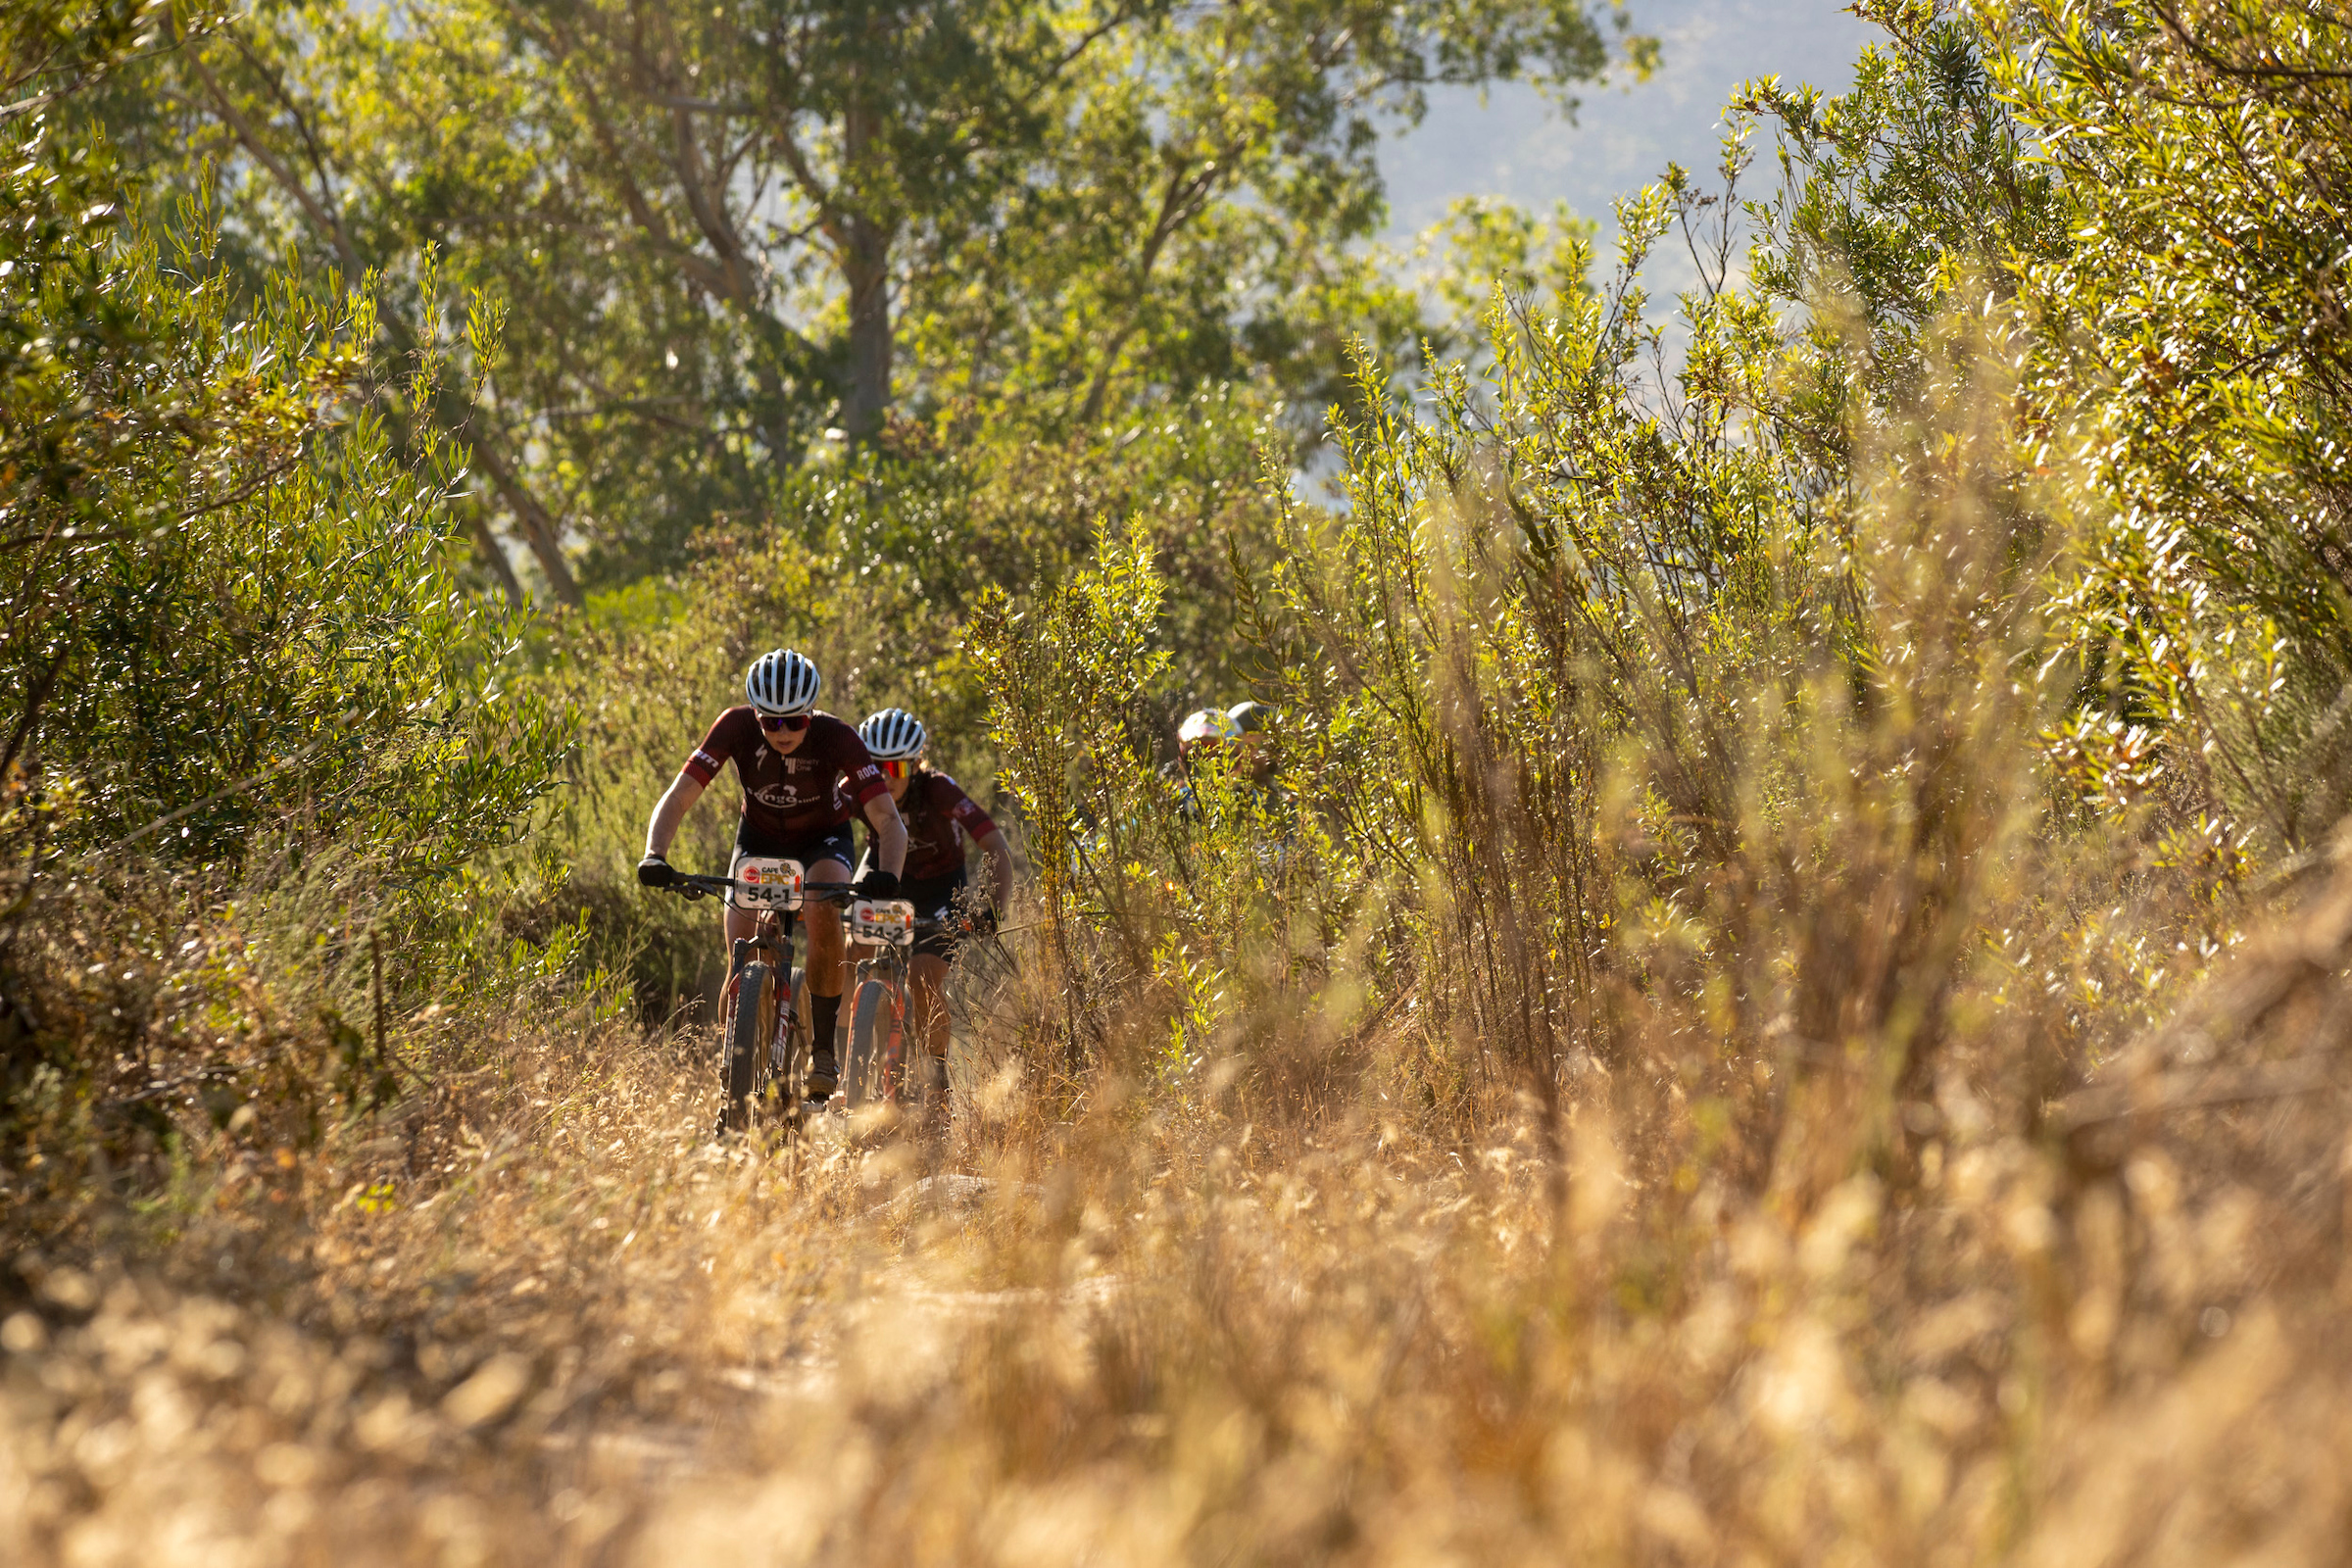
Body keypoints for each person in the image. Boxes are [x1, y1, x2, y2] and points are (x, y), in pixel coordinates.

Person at [636, 648, 907, 1099]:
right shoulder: (734, 727)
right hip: (759, 841)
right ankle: (734, 1073)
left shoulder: (836, 737)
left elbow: (887, 820)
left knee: (823, 912)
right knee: (740, 953)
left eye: (795, 721)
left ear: (811, 714)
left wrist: (889, 876)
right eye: (771, 721)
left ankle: (822, 1051)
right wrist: (655, 854)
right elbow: (680, 795)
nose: (783, 731)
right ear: (755, 714)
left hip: (823, 840)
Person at [851, 708, 1014, 1112]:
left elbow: (994, 844)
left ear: (914, 764)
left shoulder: (939, 790)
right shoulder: (856, 788)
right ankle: (837, 1059)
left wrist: (991, 909)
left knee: (924, 976)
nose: (884, 775)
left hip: (941, 886)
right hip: (886, 873)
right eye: (874, 766)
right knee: (850, 942)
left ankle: (938, 1083)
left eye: (894, 766)